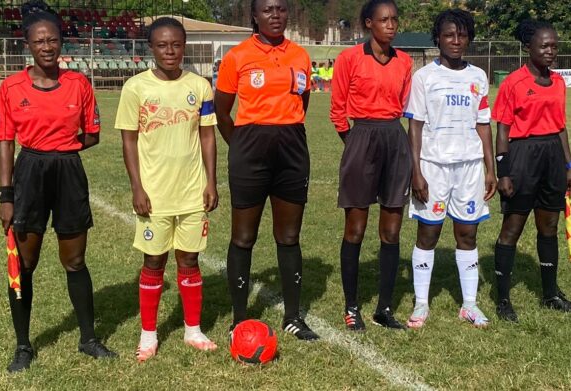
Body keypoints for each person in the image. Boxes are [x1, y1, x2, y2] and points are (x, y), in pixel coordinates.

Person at [0, 1, 117, 373]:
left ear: (62, 43)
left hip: (68, 173)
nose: (47, 46)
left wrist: (62, 149)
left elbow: (92, 135)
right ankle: (23, 345)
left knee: (75, 260)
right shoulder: (11, 87)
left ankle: (88, 339)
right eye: (39, 41)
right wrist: (6, 194)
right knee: (25, 263)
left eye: (53, 40)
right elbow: (5, 143)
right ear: (28, 45)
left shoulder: (79, 84)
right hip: (29, 173)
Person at [214, 0, 319, 341]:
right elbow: (223, 112)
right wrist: (243, 146)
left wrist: (280, 132)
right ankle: (240, 318)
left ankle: (293, 316)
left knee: (288, 237)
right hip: (250, 150)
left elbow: (301, 101)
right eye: (268, 10)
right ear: (255, 17)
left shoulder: (300, 55)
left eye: (281, 9)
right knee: (243, 237)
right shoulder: (238, 57)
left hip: (292, 148)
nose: (276, 16)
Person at [116, 17, 218, 361]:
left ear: (184, 45)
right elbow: (128, 140)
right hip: (154, 194)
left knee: (190, 258)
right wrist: (137, 188)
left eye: (176, 44)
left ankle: (192, 330)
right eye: (162, 45)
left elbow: (207, 135)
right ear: (151, 48)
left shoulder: (201, 86)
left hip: (191, 191)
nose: (170, 51)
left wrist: (211, 180)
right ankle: (149, 334)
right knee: (154, 260)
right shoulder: (136, 88)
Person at [403, 9, 496, 329]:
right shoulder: (424, 77)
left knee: (467, 233)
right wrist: (416, 171)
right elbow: (414, 126)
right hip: (434, 167)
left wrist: (490, 167)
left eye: (461, 35)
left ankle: (469, 305)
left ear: (468, 38)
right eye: (449, 35)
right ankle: (421, 304)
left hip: (469, 167)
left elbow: (484, 124)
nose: (456, 41)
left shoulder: (478, 76)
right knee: (428, 232)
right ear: (438, 39)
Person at [329, 0, 413, 331]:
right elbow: (337, 109)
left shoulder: (404, 61)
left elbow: (405, 104)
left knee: (391, 231)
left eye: (394, 19)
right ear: (368, 24)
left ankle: (384, 308)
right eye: (384, 20)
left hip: (394, 137)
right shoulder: (349, 59)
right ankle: (352, 308)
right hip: (361, 136)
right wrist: (353, 143)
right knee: (356, 228)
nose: (391, 25)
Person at [492, 19, 571, 322]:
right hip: (522, 156)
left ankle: (550, 294)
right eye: (544, 45)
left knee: (549, 227)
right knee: (512, 228)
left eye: (554, 46)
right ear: (528, 47)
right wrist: (503, 171)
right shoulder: (514, 83)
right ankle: (502, 298)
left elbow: (561, 126)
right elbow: (502, 129)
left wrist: (569, 165)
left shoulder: (557, 82)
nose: (550, 51)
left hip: (552, 156)